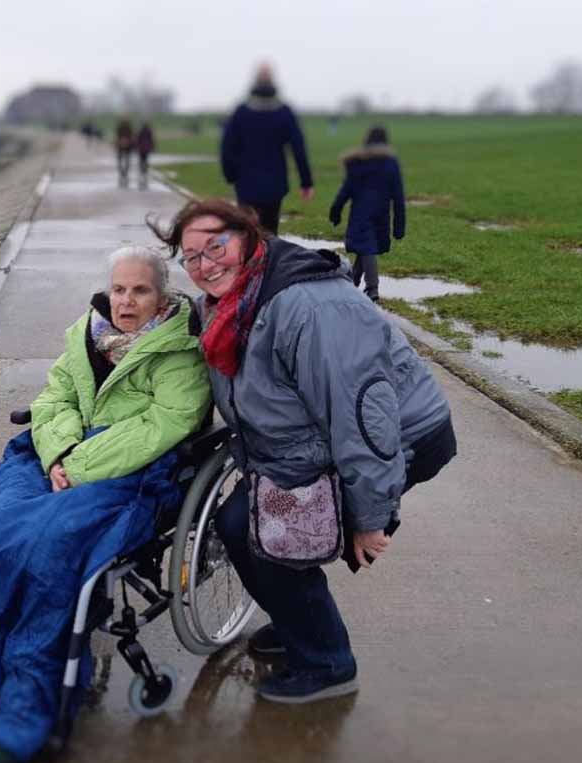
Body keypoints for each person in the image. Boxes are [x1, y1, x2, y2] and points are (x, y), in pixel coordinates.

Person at [0, 246, 211, 763]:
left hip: (130, 472)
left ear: (162, 299)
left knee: (47, 546)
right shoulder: (85, 337)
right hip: (55, 458)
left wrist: (83, 464)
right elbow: (53, 402)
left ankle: (26, 701)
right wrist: (60, 455)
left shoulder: (178, 353)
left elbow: (168, 423)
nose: (126, 301)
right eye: (118, 289)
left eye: (139, 290)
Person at [150, 199, 456, 704]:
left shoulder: (308, 307)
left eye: (216, 246)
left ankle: (327, 663)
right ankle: (301, 626)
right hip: (308, 448)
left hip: (396, 439)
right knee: (240, 525)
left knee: (270, 540)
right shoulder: (230, 305)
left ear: (248, 238)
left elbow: (363, 417)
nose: (206, 265)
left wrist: (371, 515)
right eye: (192, 258)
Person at [220, 62, 314, 234]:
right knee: (270, 233)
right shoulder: (284, 112)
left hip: (246, 182)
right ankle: (269, 259)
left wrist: (231, 175)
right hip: (275, 183)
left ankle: (249, 259)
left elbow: (227, 148)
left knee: (247, 232)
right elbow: (298, 148)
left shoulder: (241, 112)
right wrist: (306, 181)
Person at [328, 126, 406, 302]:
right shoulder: (390, 163)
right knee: (367, 247)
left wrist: (336, 210)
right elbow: (399, 197)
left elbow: (346, 190)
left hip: (361, 213)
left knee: (366, 247)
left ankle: (371, 288)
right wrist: (399, 225)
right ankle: (356, 283)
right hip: (381, 214)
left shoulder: (358, 162)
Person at [114, 117, 135, 186]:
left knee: (124, 161)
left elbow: (117, 137)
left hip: (125, 146)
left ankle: (123, 173)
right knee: (124, 161)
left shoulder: (126, 128)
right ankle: (123, 173)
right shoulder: (127, 128)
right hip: (123, 146)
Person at [136, 121, 156, 189]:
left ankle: (142, 171)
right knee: (145, 160)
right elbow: (152, 140)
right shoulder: (149, 131)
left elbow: (137, 140)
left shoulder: (140, 131)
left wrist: (136, 147)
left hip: (141, 148)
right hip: (147, 148)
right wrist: (153, 147)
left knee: (141, 161)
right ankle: (145, 172)